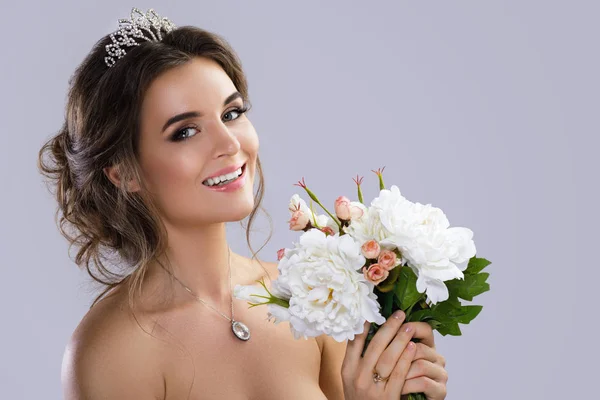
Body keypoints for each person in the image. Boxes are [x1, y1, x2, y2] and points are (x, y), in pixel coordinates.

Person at [38, 8, 448, 400]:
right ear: (124, 173)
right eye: (185, 132)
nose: (230, 144)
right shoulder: (115, 351)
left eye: (232, 113)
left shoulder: (311, 299)